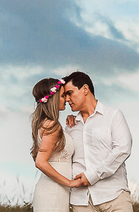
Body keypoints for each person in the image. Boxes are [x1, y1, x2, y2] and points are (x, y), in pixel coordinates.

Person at [61, 71, 133, 212]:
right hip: (81, 201)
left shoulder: (113, 116)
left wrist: (91, 176)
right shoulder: (70, 127)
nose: (67, 99)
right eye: (65, 95)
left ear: (85, 89)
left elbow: (122, 150)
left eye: (70, 93)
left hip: (114, 196)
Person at [31, 77, 86, 212]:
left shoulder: (45, 123)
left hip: (55, 190)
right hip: (53, 192)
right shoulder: (52, 126)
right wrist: (69, 183)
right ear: (52, 99)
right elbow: (40, 162)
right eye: (62, 96)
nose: (66, 99)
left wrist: (73, 122)